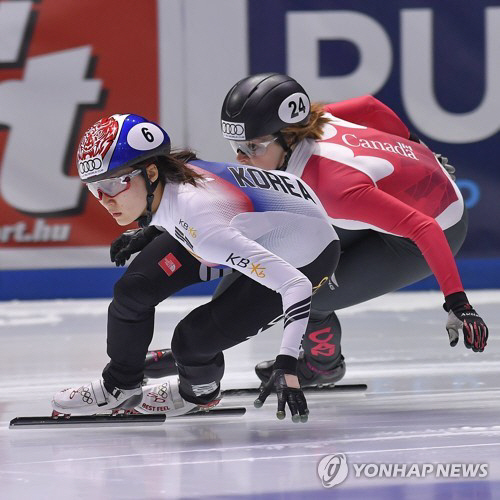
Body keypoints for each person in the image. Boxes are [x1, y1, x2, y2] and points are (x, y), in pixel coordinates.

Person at [113, 73, 489, 388]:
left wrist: (459, 304)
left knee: (314, 292)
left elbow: (423, 228)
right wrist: (418, 150)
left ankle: (324, 366)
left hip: (429, 230)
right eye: (236, 145)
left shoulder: (335, 188)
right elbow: (372, 108)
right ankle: (205, 341)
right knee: (261, 266)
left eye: (253, 147)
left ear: (287, 138)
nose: (242, 157)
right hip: (383, 200)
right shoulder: (313, 122)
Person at [52, 113, 340, 422]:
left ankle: (198, 394)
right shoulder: (175, 175)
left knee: (191, 341)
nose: (105, 200)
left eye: (113, 183)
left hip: (307, 258)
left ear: (151, 172)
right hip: (255, 227)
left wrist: (287, 365)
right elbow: (198, 208)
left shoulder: (205, 230)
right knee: (133, 290)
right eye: (94, 188)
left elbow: (295, 285)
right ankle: (120, 385)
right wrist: (150, 231)